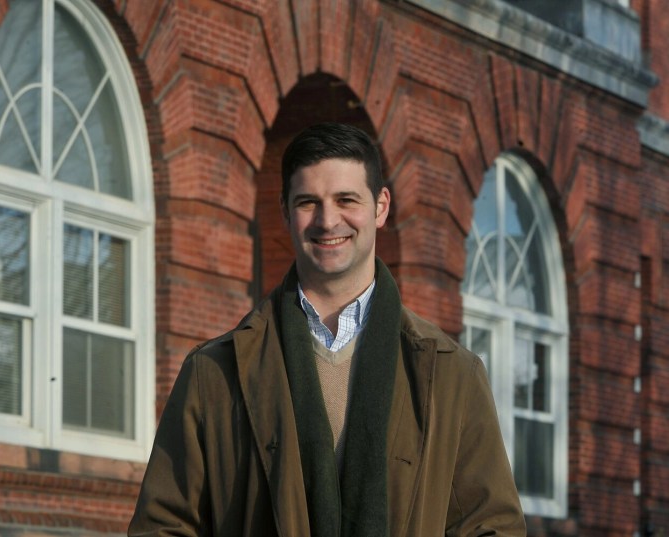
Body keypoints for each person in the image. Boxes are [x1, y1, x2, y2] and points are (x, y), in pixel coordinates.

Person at [128, 122, 526, 536]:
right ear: (285, 211)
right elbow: (163, 526)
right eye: (308, 202)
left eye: (346, 199)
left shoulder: (451, 375)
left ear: (380, 206)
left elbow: (491, 527)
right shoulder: (214, 373)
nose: (327, 220)